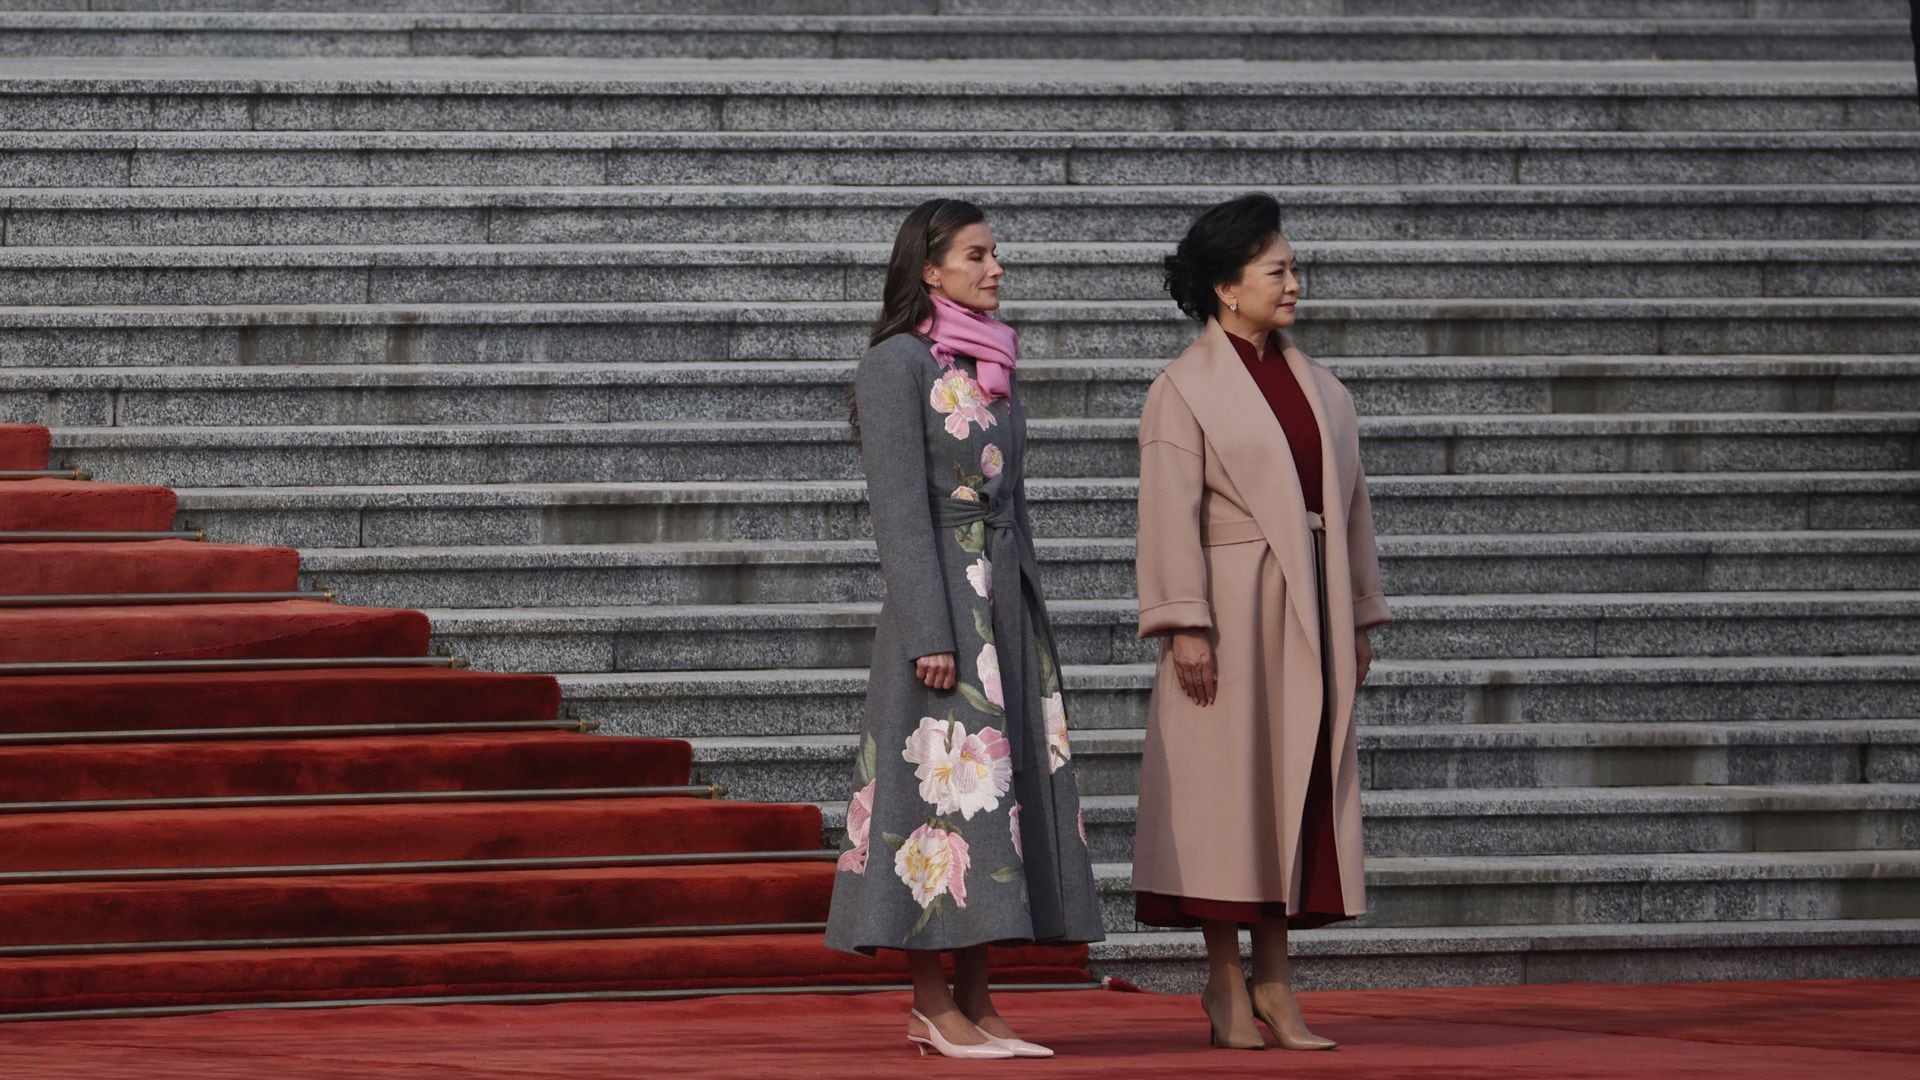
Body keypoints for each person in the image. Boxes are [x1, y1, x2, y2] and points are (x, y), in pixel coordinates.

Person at [823, 197, 1104, 1060]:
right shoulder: (895, 364)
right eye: (977, 255)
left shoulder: (989, 363)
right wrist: (929, 629)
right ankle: (929, 997)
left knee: (995, 802)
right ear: (931, 268)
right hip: (941, 603)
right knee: (931, 798)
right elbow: (900, 511)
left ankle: (978, 997)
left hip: (1004, 604)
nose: (996, 269)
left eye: (996, 255)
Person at [1130, 193, 1392, 1051]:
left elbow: (1353, 514)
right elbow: (1167, 515)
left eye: (1292, 267)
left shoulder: (1324, 387)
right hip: (1231, 614)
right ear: (1224, 288)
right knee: (1227, 797)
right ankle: (1224, 983)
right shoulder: (1183, 389)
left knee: (1294, 788)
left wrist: (1358, 615)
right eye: (1276, 270)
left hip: (1309, 612)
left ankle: (1276, 983)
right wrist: (1185, 625)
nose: (1293, 282)